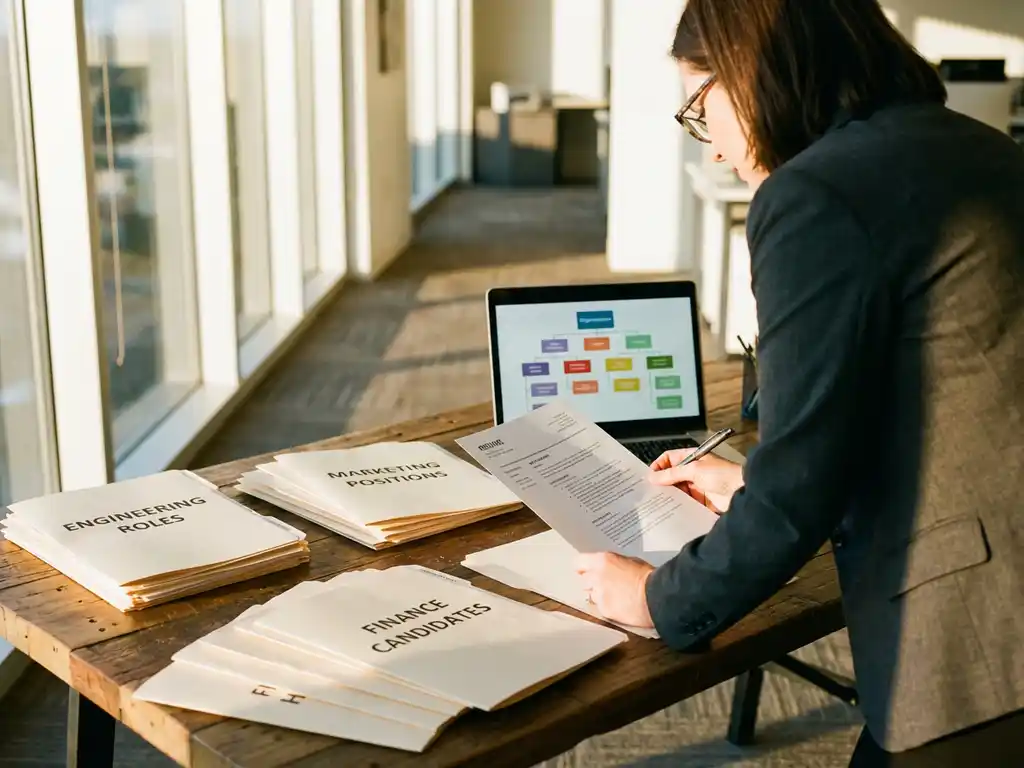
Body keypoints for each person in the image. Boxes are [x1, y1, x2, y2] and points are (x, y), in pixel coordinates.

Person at [574, 0, 1024, 764]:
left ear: (750, 72)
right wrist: (755, 477)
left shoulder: (814, 195)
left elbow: (798, 494)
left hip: (981, 644)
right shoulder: (983, 150)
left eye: (697, 106)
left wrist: (654, 599)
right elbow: (957, 394)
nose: (711, 148)